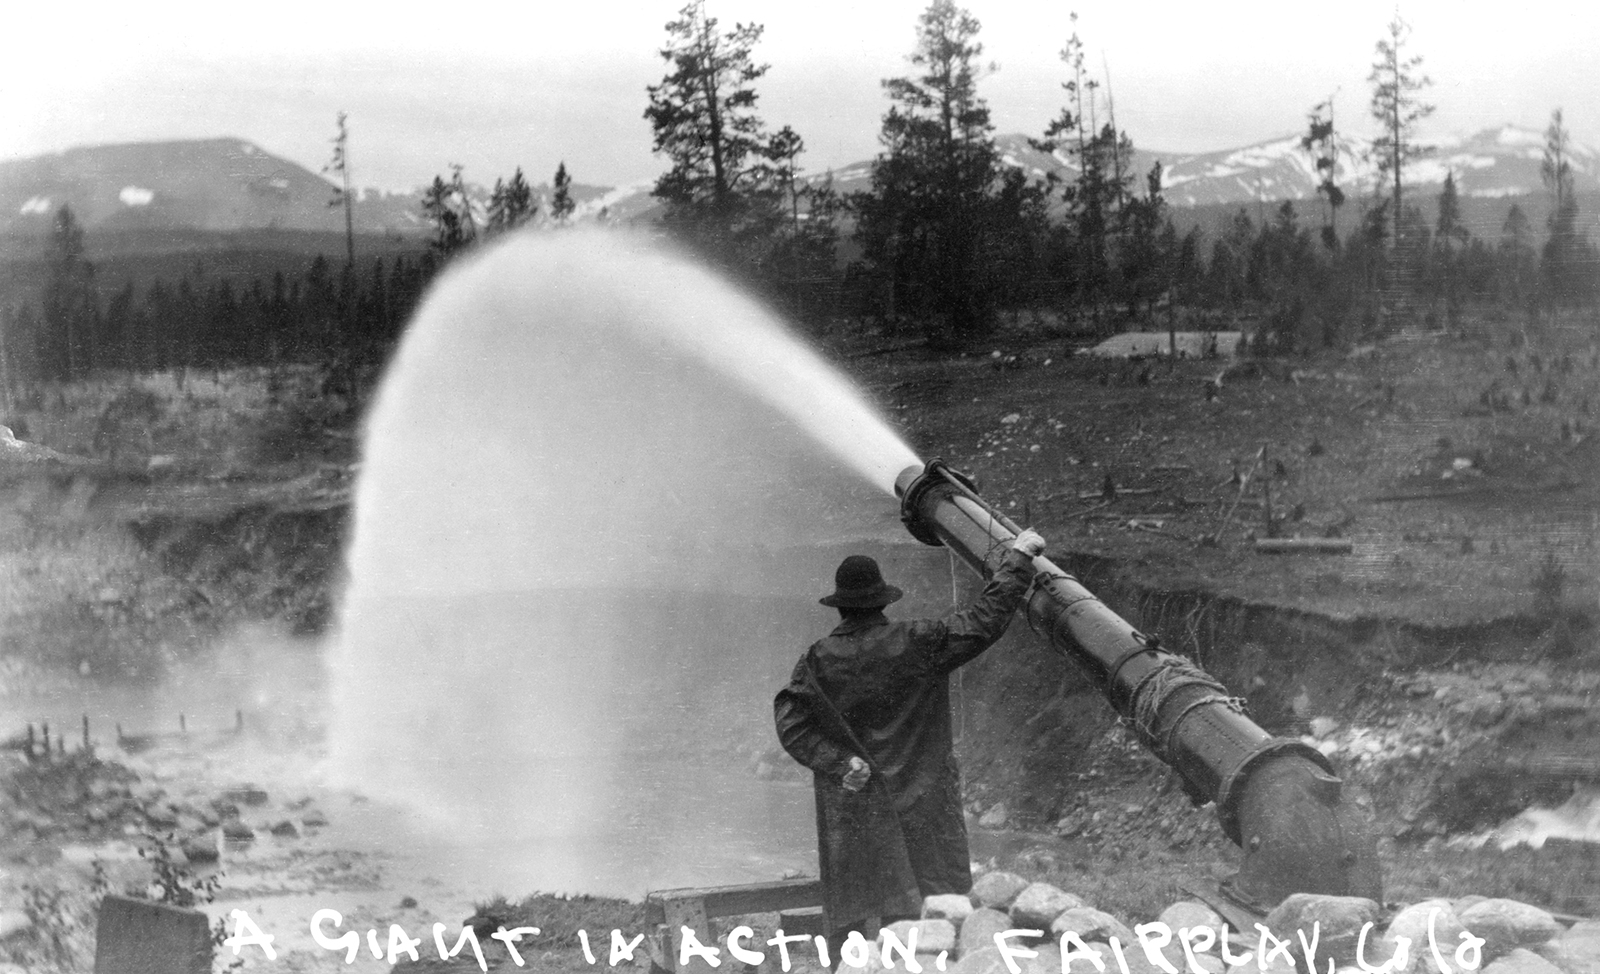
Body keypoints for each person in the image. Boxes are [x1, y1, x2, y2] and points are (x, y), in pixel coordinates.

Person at [773, 529, 1046, 963]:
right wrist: (1017, 559)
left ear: (841, 605)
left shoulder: (817, 660)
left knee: (858, 923)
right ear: (882, 601)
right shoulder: (919, 642)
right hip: (924, 807)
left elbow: (791, 725)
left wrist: (842, 762)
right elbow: (984, 620)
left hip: (856, 818)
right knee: (938, 915)